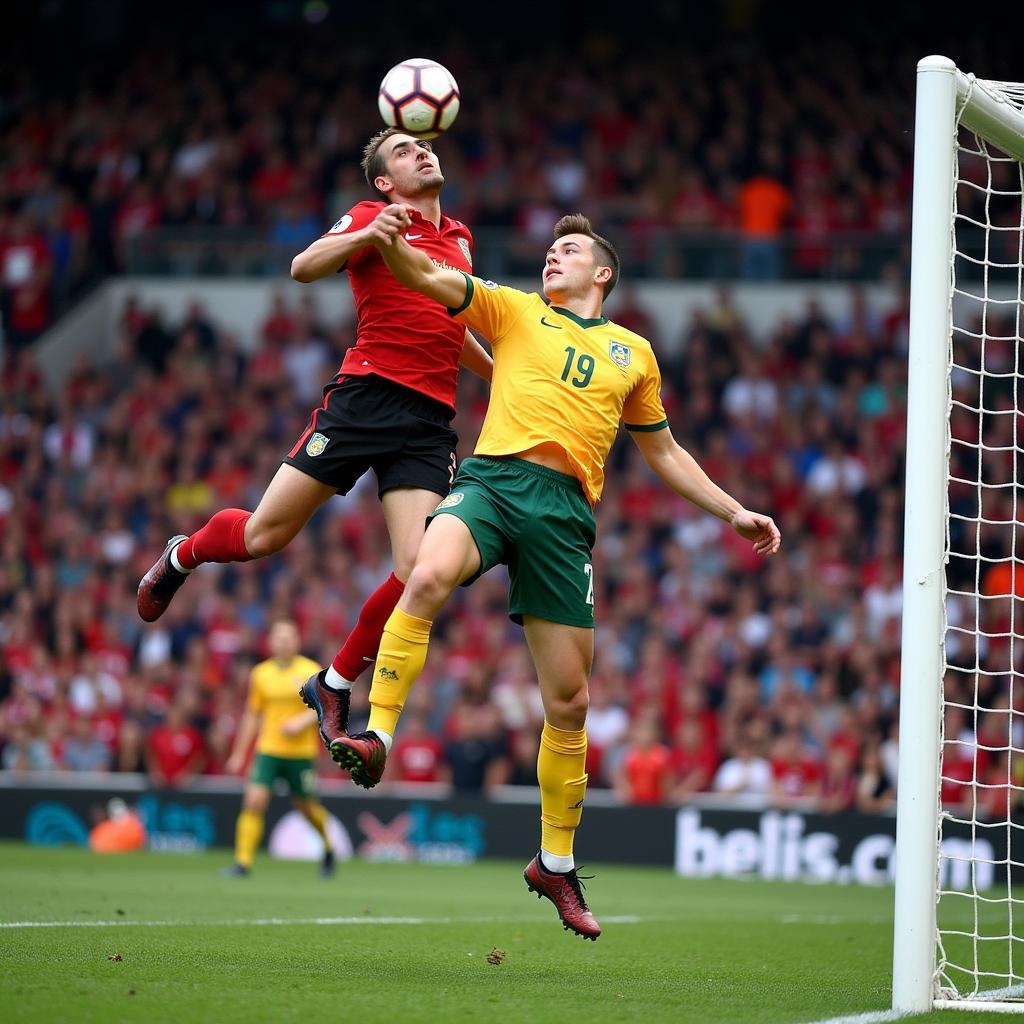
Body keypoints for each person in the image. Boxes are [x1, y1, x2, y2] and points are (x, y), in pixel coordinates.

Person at [321, 207, 781, 939]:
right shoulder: (512, 309)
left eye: (568, 250)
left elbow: (663, 451)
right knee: (427, 572)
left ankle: (555, 863)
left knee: (568, 704)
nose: (551, 258)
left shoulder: (635, 354)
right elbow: (431, 275)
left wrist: (735, 513)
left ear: (602, 273)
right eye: (549, 249)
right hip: (493, 484)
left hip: (565, 518)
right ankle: (376, 734)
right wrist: (388, 245)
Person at [136, 128, 492, 756]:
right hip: (365, 398)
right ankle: (182, 554)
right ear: (384, 182)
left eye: (425, 147)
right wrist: (368, 234)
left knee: (418, 571)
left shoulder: (461, 238)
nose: (423, 154)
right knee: (264, 536)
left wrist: (504, 372)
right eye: (405, 152)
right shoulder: (369, 216)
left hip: (430, 422)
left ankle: (334, 682)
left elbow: (452, 322)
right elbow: (303, 267)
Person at [222, 619, 334, 877]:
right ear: (270, 642)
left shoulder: (310, 670)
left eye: (289, 637)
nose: (284, 641)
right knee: (254, 801)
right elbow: (253, 714)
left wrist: (300, 721)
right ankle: (243, 862)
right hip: (269, 748)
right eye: (279, 637)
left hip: (301, 753)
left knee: (307, 808)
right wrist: (239, 753)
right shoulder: (261, 674)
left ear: (298, 641)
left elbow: (325, 709)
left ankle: (328, 848)